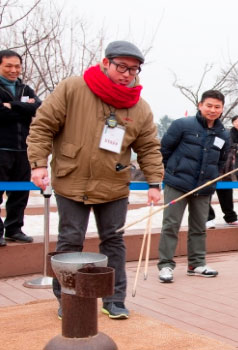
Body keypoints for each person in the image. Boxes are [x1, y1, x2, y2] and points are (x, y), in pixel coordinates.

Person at [27, 41, 163, 319]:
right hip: (71, 181)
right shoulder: (73, 88)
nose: (127, 74)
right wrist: (39, 164)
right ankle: (68, 298)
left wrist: (153, 182)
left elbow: (148, 147)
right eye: (121, 66)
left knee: (114, 242)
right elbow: (43, 125)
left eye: (133, 69)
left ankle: (113, 300)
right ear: (105, 63)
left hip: (113, 185)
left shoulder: (139, 106)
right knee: (70, 241)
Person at [158, 90, 229, 283]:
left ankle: (196, 263)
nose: (213, 110)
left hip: (203, 187)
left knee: (199, 226)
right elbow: (164, 149)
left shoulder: (223, 133)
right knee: (171, 225)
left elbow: (221, 161)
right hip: (177, 183)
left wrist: (212, 178)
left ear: (222, 109)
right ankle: (165, 265)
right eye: (209, 105)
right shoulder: (182, 125)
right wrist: (168, 171)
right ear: (200, 105)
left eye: (217, 107)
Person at [0, 50, 41, 247]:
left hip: (23, 149)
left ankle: (14, 229)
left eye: (17, 66)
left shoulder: (25, 88)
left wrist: (11, 106)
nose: (13, 70)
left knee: (20, 194)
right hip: (1, 149)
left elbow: (38, 108)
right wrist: (22, 109)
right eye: (8, 66)